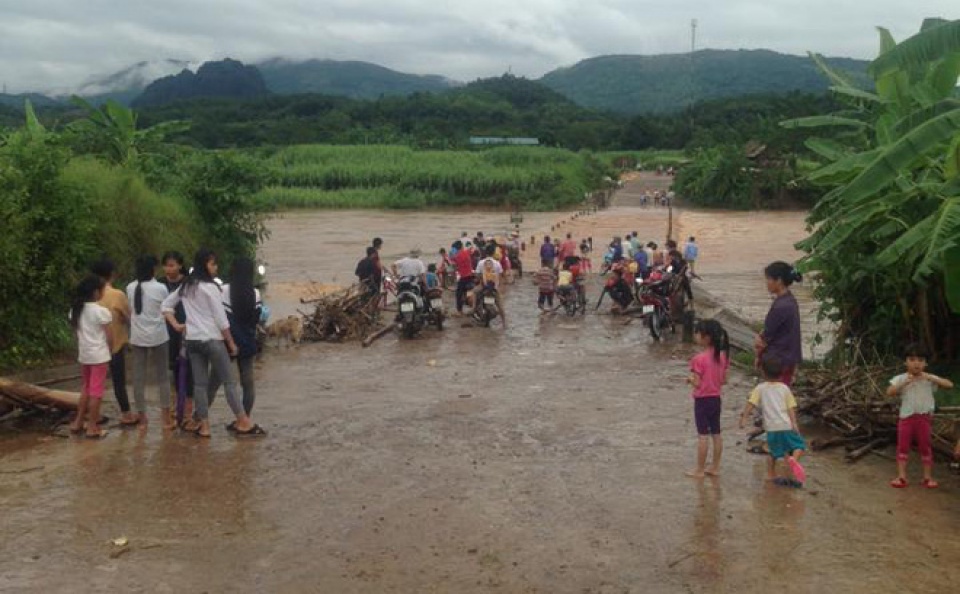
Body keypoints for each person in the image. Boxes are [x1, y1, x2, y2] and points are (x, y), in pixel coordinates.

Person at [162, 249, 265, 438]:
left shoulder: (186, 285)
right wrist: (231, 344)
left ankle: (204, 426)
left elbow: (166, 306)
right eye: (213, 264)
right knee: (230, 383)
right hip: (214, 340)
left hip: (192, 341)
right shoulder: (212, 288)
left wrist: (177, 325)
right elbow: (221, 321)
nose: (216, 267)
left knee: (201, 385)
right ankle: (243, 421)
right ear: (205, 265)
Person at [886, 344, 954, 489]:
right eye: (912, 359)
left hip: (924, 418)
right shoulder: (901, 378)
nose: (916, 363)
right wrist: (904, 383)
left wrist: (930, 377)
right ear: (906, 362)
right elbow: (890, 391)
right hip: (906, 418)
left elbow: (949, 385)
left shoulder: (929, 379)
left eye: (920, 360)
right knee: (903, 447)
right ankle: (901, 477)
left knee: (925, 447)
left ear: (925, 363)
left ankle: (927, 478)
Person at [739, 356, 808, 487]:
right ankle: (794, 458)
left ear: (763, 372)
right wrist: (794, 423)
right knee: (799, 445)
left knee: (772, 452)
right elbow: (790, 407)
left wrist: (744, 417)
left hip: (772, 428)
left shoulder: (760, 388)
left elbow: (751, 403)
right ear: (781, 372)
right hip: (786, 425)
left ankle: (771, 474)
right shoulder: (784, 388)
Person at [211, 257, 263, 422]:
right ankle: (245, 419)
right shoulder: (255, 293)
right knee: (247, 383)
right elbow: (257, 318)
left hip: (226, 342)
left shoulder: (223, 290)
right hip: (247, 343)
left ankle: (200, 418)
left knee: (214, 381)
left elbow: (218, 316)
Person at [126, 255, 172, 429]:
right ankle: (166, 419)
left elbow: (131, 311)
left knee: (138, 378)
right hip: (159, 336)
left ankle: (142, 419)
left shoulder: (130, 287)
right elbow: (166, 309)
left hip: (138, 337)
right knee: (163, 377)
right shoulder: (161, 288)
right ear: (152, 270)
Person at [91, 258, 137, 426]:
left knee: (93, 384)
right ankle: (126, 414)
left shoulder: (89, 295)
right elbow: (128, 318)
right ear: (112, 274)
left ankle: (93, 415)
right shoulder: (117, 295)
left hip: (94, 347)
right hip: (115, 345)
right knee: (119, 383)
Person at [68, 275, 113, 439]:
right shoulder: (101, 311)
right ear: (96, 292)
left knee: (86, 388)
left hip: (85, 354)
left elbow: (76, 334)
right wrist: (111, 350)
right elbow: (109, 336)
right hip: (99, 355)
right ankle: (93, 426)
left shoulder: (75, 310)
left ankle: (78, 422)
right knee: (97, 391)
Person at [686, 319, 730, 478]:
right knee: (716, 433)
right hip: (716, 399)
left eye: (697, 333)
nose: (695, 335)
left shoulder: (698, 359)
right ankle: (715, 467)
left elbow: (697, 383)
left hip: (702, 401)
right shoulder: (723, 356)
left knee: (703, 435)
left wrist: (690, 379)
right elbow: (725, 380)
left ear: (706, 337)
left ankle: (699, 469)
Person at [754, 262, 803, 386]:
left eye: (769, 279)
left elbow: (766, 336)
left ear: (779, 280)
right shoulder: (790, 300)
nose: (767, 283)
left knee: (775, 398)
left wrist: (759, 349)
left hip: (777, 362)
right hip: (787, 358)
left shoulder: (781, 306)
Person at [159, 251, 193, 422]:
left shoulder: (188, 283)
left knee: (188, 369)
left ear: (180, 265)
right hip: (166, 330)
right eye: (166, 265)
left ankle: (187, 407)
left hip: (186, 329)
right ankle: (174, 405)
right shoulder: (160, 284)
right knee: (171, 368)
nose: (168, 269)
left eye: (171, 265)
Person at [474, 244, 507, 328]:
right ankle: (504, 324)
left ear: (485, 252)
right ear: (493, 253)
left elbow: (477, 275)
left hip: (483, 286)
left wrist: (480, 278)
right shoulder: (497, 263)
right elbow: (500, 275)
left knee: (474, 292)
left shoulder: (481, 262)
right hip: (494, 288)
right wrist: (498, 285)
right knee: (500, 305)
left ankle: (473, 309)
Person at [452, 240, 475, 314]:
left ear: (455, 248)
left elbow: (454, 266)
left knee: (458, 294)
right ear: (462, 246)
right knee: (469, 291)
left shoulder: (456, 256)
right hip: (471, 276)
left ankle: (460, 311)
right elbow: (473, 249)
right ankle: (473, 307)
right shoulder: (467, 252)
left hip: (463, 277)